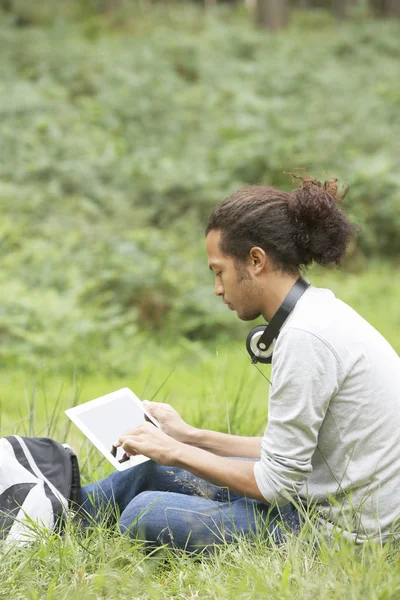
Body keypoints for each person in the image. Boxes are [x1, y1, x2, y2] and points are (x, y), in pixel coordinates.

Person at [79, 176, 400, 552]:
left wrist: (174, 451)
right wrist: (187, 436)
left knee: (145, 512)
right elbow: (285, 452)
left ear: (256, 260)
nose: (217, 288)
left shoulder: (306, 338)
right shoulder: (316, 312)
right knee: (149, 470)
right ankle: (54, 511)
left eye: (219, 271)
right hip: (315, 500)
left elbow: (275, 484)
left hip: (339, 535)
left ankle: (49, 514)